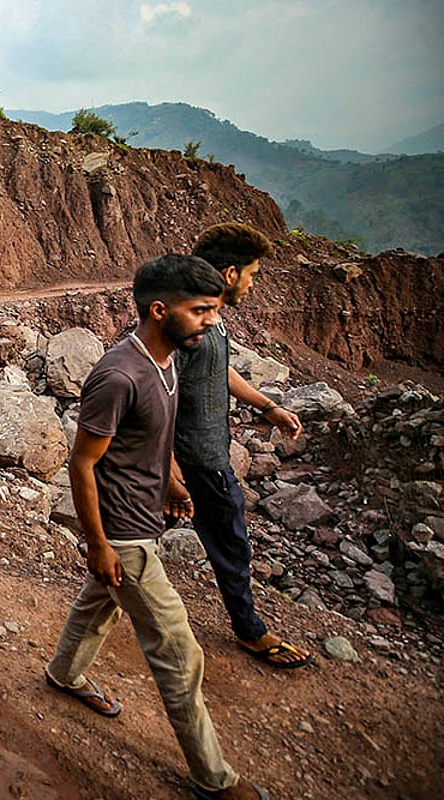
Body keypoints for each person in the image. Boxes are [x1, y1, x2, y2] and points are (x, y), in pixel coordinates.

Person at [46, 255, 269, 800]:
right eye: (202, 312)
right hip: (123, 531)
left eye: (213, 310)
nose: (212, 322)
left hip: (142, 515)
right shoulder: (120, 375)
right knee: (178, 649)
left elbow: (146, 436)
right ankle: (214, 780)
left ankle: (64, 675)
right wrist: (98, 543)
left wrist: (169, 481)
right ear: (160, 310)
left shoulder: (166, 359)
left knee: (98, 605)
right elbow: (82, 464)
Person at [171, 223, 309, 669]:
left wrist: (268, 407)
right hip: (194, 458)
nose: (254, 282)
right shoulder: (186, 320)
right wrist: (168, 466)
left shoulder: (210, 315)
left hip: (203, 454)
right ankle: (250, 632)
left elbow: (219, 370)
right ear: (230, 273)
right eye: (252, 273)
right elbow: (159, 389)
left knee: (138, 542)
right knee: (231, 544)